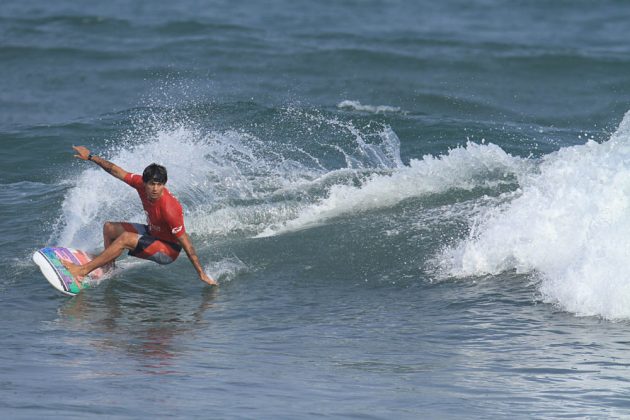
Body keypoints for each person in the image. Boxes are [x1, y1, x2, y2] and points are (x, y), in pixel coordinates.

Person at [62, 145, 217, 287]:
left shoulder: (170, 208)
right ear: (144, 182)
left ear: (164, 184)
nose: (155, 189)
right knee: (109, 228)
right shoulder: (139, 184)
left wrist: (201, 273)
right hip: (153, 233)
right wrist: (91, 156)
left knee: (125, 238)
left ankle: (81, 271)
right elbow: (115, 170)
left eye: (159, 184)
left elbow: (187, 244)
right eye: (151, 184)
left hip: (167, 250)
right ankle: (108, 265)